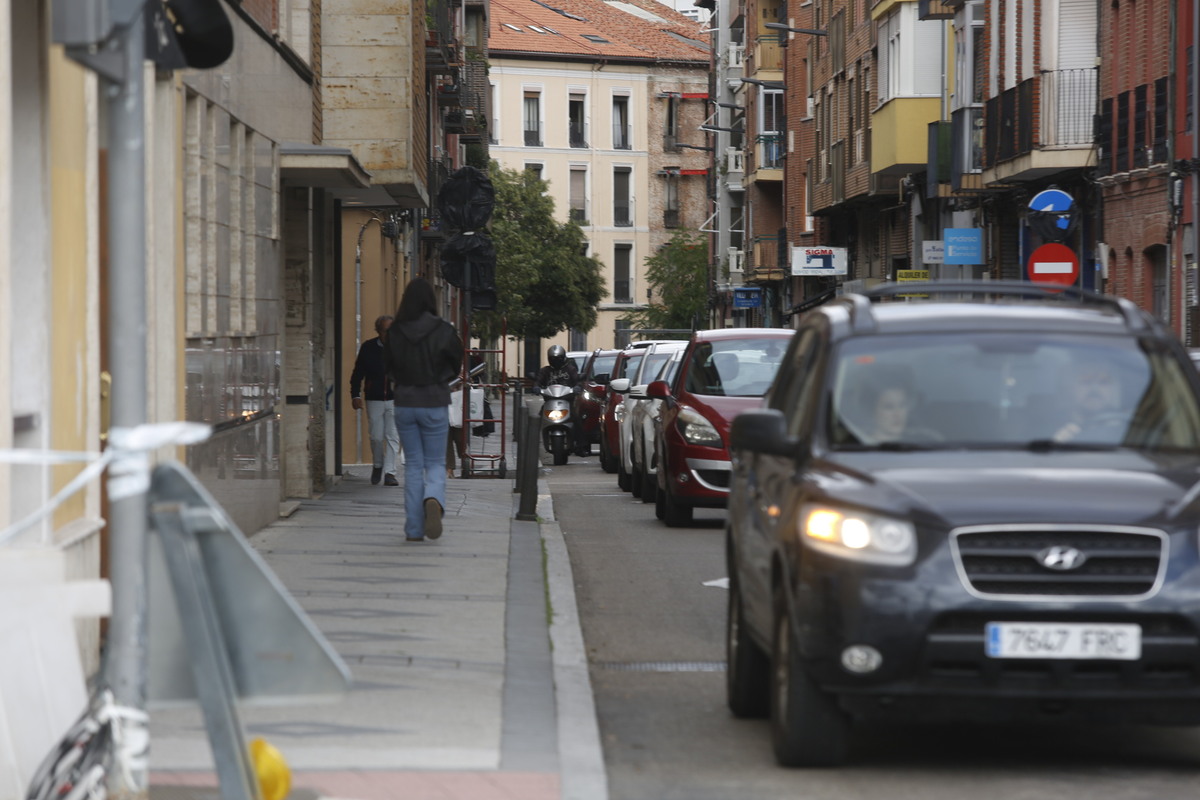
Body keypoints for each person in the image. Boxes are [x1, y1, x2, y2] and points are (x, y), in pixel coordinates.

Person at [384, 278, 464, 542]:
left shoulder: (395, 331)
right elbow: (456, 361)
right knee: (436, 463)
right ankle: (433, 498)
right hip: (434, 400)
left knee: (413, 465)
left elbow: (388, 365)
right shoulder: (443, 330)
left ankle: (414, 529)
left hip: (405, 401)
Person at [350, 314, 402, 486]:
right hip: (374, 398)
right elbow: (357, 374)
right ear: (379, 331)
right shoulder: (368, 348)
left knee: (393, 436)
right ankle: (378, 465)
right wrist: (355, 395)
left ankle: (390, 473)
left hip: (396, 399)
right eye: (387, 331)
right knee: (377, 437)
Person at [1052, 357, 1127, 443]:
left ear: (1113, 389)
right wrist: (1056, 444)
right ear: (1071, 388)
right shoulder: (1050, 425)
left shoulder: (1127, 427)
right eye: (1086, 381)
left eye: (1103, 382)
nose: (1094, 388)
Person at [536, 344, 587, 456]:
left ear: (563, 358)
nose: (556, 361)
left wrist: (577, 387)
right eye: (553, 359)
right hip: (549, 401)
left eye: (558, 359)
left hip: (567, 402)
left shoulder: (570, 369)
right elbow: (538, 381)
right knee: (535, 420)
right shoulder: (545, 371)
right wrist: (536, 387)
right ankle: (532, 445)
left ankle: (581, 446)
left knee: (577, 420)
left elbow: (576, 380)